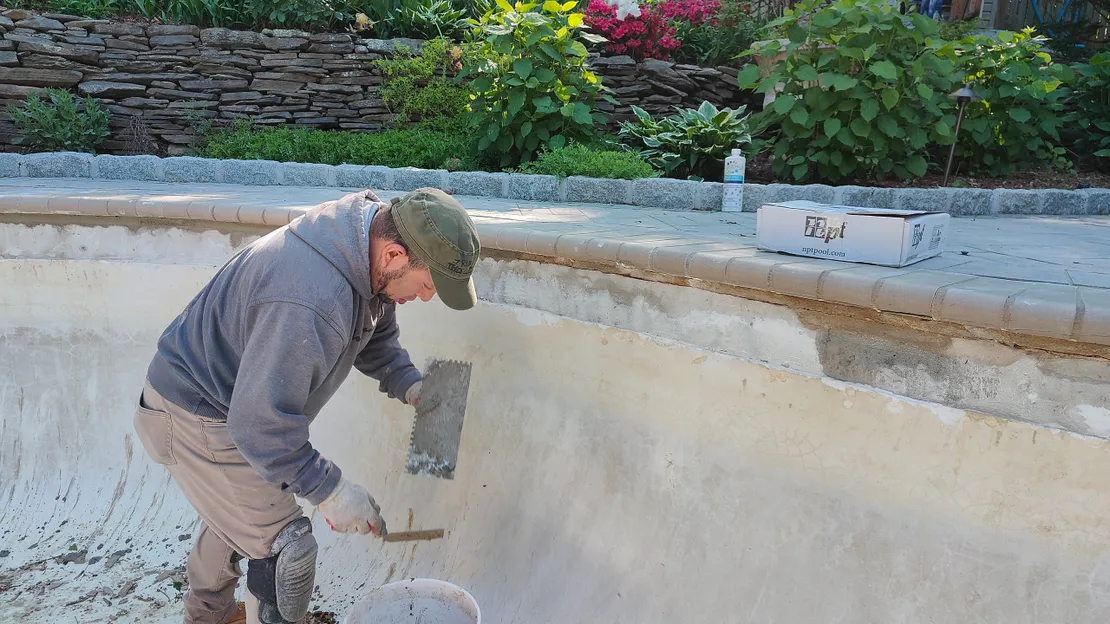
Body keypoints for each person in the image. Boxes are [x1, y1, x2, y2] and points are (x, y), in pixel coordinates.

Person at [132, 187, 481, 624]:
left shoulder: (363, 244)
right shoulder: (310, 298)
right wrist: (330, 490)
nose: (427, 296)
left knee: (244, 512)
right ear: (394, 256)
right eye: (428, 284)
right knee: (286, 548)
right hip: (192, 413)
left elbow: (373, 332)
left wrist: (410, 384)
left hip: (224, 404)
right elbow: (260, 425)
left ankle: (209, 616)